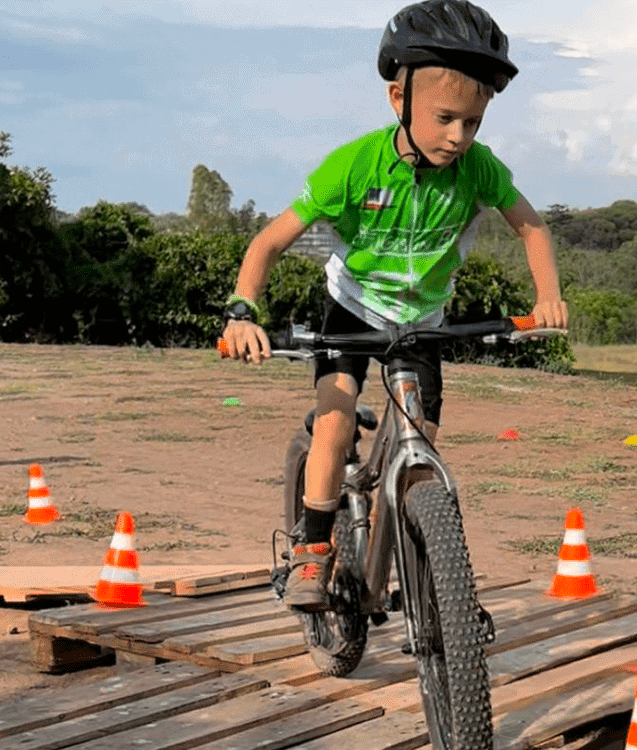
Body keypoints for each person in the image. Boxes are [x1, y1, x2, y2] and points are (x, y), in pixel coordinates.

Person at [219, 0, 568, 610]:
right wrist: (242, 312)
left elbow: (531, 227)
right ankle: (315, 547)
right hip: (353, 308)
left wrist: (548, 297)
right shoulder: (352, 166)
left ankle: (397, 552)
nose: (459, 137)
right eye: (445, 118)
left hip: (422, 320)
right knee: (335, 418)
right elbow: (269, 242)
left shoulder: (478, 170)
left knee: (423, 443)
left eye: (474, 123)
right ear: (396, 100)